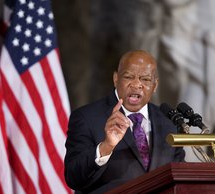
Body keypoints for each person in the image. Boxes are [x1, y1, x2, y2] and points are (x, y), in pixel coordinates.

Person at [64, 50, 185, 193]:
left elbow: (179, 176)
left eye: (145, 79)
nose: (136, 85)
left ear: (155, 85)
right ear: (116, 79)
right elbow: (73, 178)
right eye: (129, 77)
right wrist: (106, 146)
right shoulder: (86, 117)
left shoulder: (168, 122)